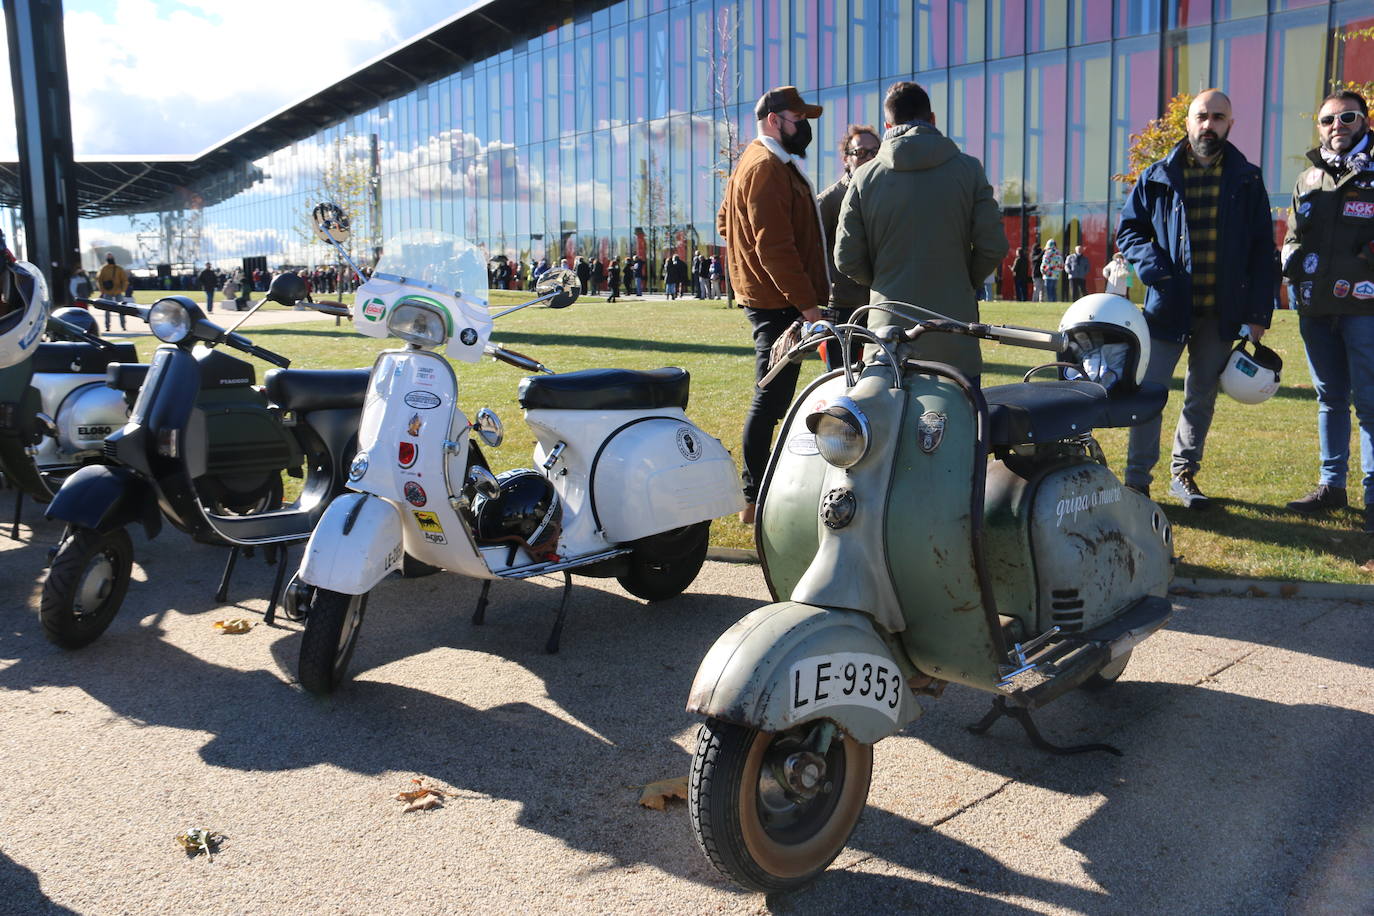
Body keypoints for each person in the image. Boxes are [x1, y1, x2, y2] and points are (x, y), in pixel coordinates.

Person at [1116, 88, 1277, 507]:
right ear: (1187, 122)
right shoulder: (1156, 175)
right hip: (1167, 308)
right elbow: (1130, 233)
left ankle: (1183, 475)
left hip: (1221, 313)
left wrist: (1259, 311)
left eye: (1218, 117)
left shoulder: (1247, 178)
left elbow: (1264, 249)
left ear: (1230, 124)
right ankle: (1137, 481)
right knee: (1149, 393)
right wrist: (1154, 270)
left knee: (1200, 396)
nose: (1209, 124)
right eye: (1201, 116)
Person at [835, 80, 1007, 379]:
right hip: (953, 326)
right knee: (962, 420)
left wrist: (885, 280)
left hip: (888, 329)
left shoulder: (864, 177)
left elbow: (846, 257)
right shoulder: (968, 169)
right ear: (933, 119)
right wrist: (963, 281)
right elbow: (993, 244)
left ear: (888, 124)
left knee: (886, 420)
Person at [717, 85, 830, 525]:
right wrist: (808, 308)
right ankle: (754, 497)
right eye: (798, 119)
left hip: (776, 299)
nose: (804, 127)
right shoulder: (765, 166)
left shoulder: (761, 162)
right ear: (773, 120)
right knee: (770, 395)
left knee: (775, 393)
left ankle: (755, 493)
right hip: (780, 304)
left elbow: (726, 223)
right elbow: (774, 247)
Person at [1282, 90, 1374, 531]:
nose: (1336, 126)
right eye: (1326, 120)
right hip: (1315, 308)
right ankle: (1331, 485)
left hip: (1366, 307)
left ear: (1364, 121)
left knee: (1370, 404)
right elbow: (1293, 236)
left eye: (1347, 117)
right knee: (1330, 399)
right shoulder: (1307, 179)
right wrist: (1290, 266)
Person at [817, 123, 880, 369]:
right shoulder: (830, 200)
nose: (870, 158)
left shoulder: (887, 195)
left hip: (879, 304)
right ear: (846, 159)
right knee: (842, 377)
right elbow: (815, 254)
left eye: (876, 152)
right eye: (861, 152)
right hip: (843, 306)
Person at [95, 253, 128, 331]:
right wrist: (102, 290)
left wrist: (122, 289)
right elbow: (99, 280)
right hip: (107, 291)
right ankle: (107, 326)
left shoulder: (118, 268)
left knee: (121, 309)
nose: (110, 258)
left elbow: (124, 280)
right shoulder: (103, 269)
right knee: (107, 309)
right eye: (108, 257)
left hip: (118, 291)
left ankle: (123, 325)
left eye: (111, 257)